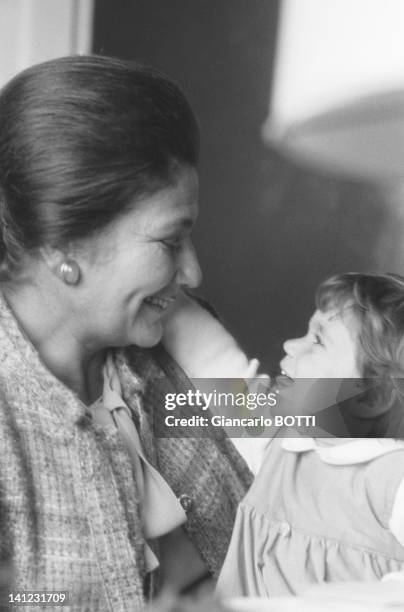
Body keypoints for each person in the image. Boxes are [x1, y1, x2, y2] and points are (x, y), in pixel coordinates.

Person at [0, 55, 254, 610]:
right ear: (64, 246)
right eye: (169, 242)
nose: (193, 273)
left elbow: (332, 417)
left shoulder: (174, 346)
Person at [216, 272, 404, 598]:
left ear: (371, 397)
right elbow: (212, 358)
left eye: (318, 341)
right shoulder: (279, 441)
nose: (290, 344)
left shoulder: (394, 481)